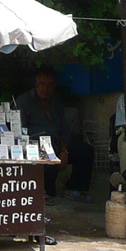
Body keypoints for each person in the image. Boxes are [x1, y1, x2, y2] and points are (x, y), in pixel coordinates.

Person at [16, 65, 95, 201]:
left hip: (58, 144)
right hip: (36, 147)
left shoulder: (56, 104)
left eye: (49, 85)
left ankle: (74, 189)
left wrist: (65, 151)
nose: (45, 88)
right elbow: (19, 131)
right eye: (42, 84)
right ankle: (46, 192)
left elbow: (65, 131)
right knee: (48, 163)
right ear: (36, 84)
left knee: (85, 151)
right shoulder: (24, 102)